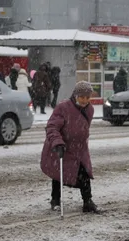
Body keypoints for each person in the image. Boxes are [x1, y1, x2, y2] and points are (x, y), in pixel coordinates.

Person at [40, 81, 100, 213]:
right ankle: (55, 200)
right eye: (82, 97)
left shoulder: (89, 109)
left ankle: (87, 201)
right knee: (58, 174)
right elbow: (52, 126)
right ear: (75, 95)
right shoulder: (63, 107)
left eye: (87, 97)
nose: (84, 100)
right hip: (62, 146)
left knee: (84, 173)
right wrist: (57, 142)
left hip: (79, 148)